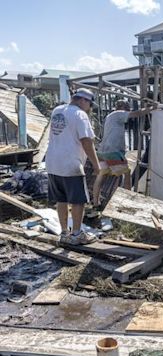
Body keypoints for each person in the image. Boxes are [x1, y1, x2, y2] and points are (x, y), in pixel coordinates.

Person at [46, 88, 101, 245]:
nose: (89, 109)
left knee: (61, 199)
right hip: (70, 163)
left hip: (52, 162)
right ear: (83, 100)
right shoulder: (80, 115)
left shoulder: (57, 110)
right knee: (78, 201)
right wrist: (97, 166)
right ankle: (77, 234)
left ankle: (64, 233)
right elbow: (86, 141)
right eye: (89, 104)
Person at [92, 100, 152, 207]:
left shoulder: (110, 116)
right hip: (113, 151)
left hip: (103, 151)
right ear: (121, 107)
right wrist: (150, 109)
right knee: (127, 172)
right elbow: (136, 114)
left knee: (102, 175)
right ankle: (127, 199)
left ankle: (96, 202)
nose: (128, 109)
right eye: (127, 107)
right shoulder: (118, 114)